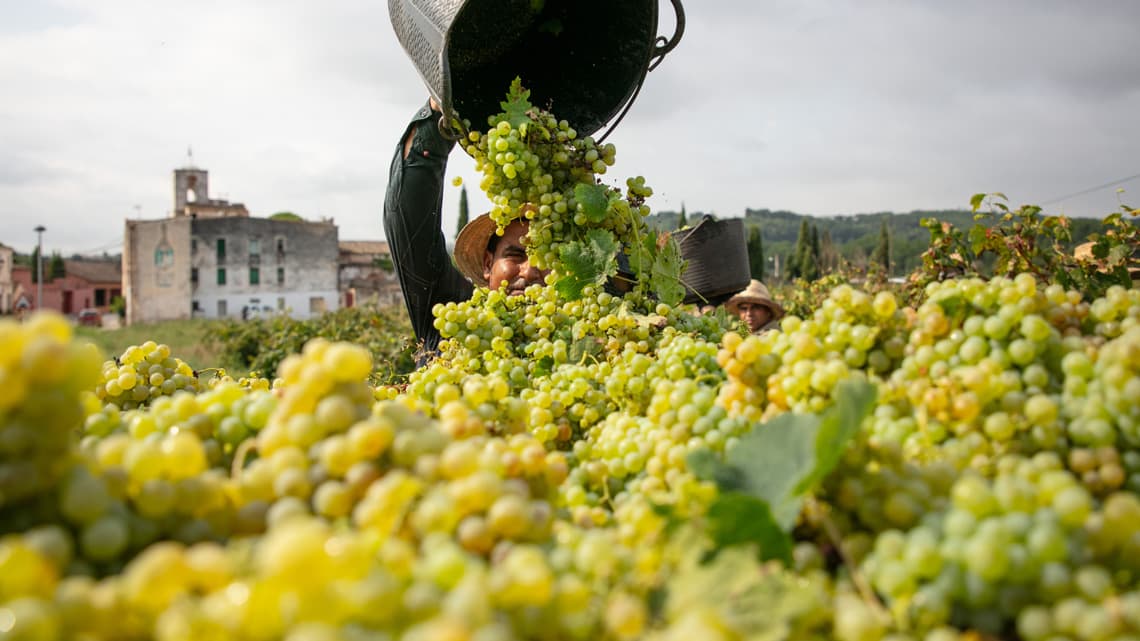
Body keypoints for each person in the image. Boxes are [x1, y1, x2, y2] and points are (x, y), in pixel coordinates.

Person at [383, 99, 550, 364]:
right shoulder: (454, 314)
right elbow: (409, 222)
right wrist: (437, 123)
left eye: (548, 259)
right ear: (488, 263)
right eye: (516, 255)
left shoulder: (588, 334)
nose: (530, 270)